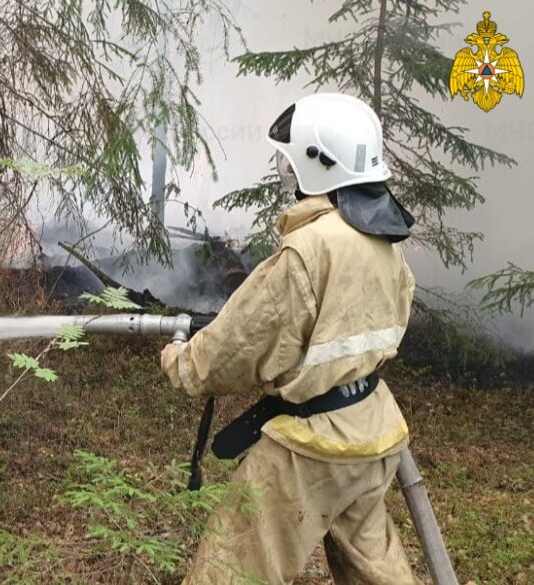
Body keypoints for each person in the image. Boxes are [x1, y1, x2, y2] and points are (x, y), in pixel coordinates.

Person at [161, 93, 422, 585]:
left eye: (290, 159)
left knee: (233, 565)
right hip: (374, 433)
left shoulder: (311, 246)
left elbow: (240, 345)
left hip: (311, 449)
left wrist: (183, 363)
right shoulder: (384, 243)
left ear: (317, 164)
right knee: (374, 571)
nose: (284, 170)